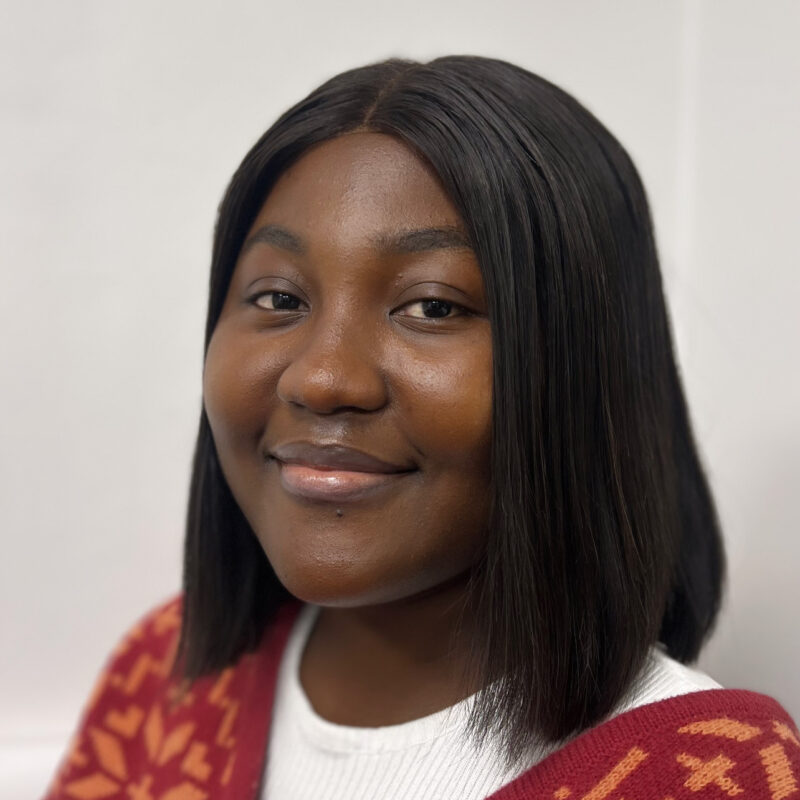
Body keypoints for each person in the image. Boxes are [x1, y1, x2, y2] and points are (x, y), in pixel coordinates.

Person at [44, 56, 798, 800]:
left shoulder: (712, 778)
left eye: (433, 306)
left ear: (585, 367)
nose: (321, 378)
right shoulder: (169, 672)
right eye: (278, 298)